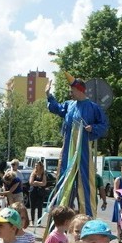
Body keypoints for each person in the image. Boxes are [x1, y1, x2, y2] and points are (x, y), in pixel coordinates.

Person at [46, 77, 109, 216]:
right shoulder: (69, 105)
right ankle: (60, 217)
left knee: (85, 183)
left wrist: (92, 128)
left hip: (84, 152)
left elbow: (104, 125)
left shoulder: (93, 108)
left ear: (80, 90)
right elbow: (57, 108)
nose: (70, 93)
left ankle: (86, 218)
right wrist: (49, 96)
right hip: (67, 151)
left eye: (72, 90)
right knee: (64, 181)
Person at [28, 161, 48, 225]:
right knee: (32, 207)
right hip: (33, 191)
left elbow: (44, 183)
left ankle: (39, 222)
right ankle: (32, 221)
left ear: (40, 166)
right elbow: (31, 182)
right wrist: (39, 183)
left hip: (40, 193)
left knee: (40, 207)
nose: (36, 166)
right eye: (35, 165)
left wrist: (36, 182)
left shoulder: (43, 174)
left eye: (37, 165)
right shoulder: (33, 173)